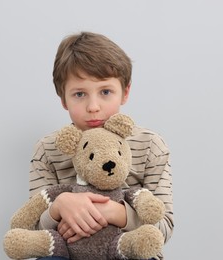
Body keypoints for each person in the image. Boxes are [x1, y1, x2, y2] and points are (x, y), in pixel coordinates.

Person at [28, 31, 173, 260]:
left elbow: (163, 227)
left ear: (125, 92)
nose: (93, 106)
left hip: (127, 251)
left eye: (105, 92)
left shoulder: (150, 145)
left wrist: (114, 213)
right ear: (63, 99)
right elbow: (32, 229)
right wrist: (58, 208)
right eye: (79, 94)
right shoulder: (48, 149)